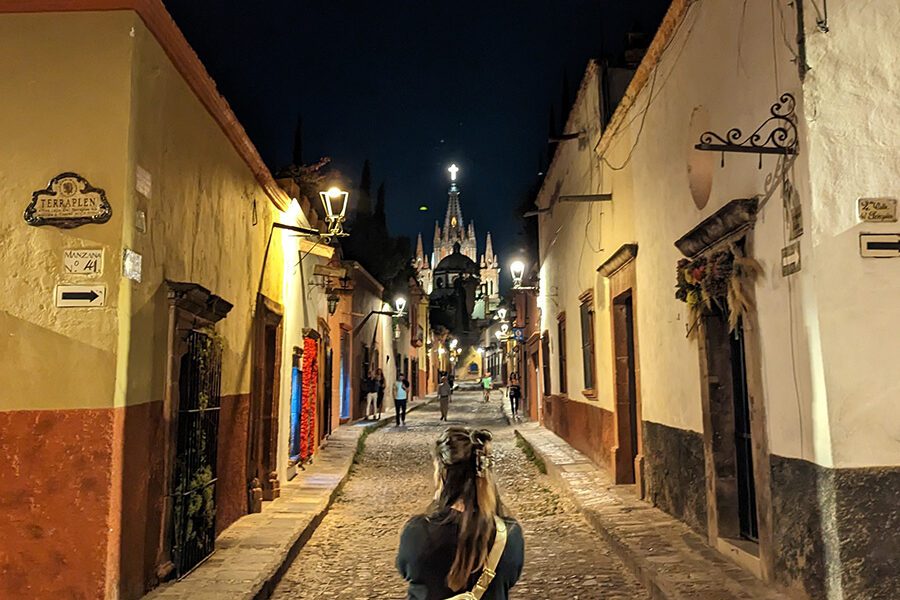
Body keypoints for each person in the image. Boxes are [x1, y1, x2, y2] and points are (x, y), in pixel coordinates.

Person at [397, 427, 524, 600]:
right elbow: (510, 576)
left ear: (442, 475)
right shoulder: (509, 535)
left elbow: (407, 568)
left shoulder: (417, 532)